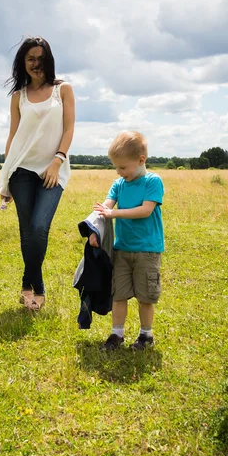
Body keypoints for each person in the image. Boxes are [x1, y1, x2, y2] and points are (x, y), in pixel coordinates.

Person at [0, 36, 75, 311]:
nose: (36, 64)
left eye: (41, 59)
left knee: (40, 227)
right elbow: (13, 138)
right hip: (21, 170)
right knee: (27, 231)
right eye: (30, 59)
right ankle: (35, 289)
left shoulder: (63, 90)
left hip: (53, 170)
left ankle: (26, 282)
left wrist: (58, 160)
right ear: (23, 62)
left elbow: (68, 130)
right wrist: (6, 180)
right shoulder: (18, 96)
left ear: (49, 60)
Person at [90, 131, 164, 350]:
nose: (119, 172)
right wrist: (95, 230)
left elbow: (145, 210)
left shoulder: (153, 181)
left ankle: (146, 335)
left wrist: (113, 214)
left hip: (147, 251)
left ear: (141, 160)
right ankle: (116, 334)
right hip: (121, 250)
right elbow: (105, 208)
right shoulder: (118, 184)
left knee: (145, 297)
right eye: (116, 167)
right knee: (119, 294)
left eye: (123, 167)